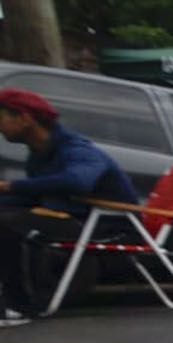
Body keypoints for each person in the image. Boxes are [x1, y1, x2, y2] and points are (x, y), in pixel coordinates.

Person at [0, 88, 142, 326]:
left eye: (1, 118)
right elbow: (39, 194)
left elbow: (79, 181)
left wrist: (11, 186)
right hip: (67, 216)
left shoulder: (76, 149)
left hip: (105, 224)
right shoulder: (40, 152)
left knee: (10, 225)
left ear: (25, 118)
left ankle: (20, 306)